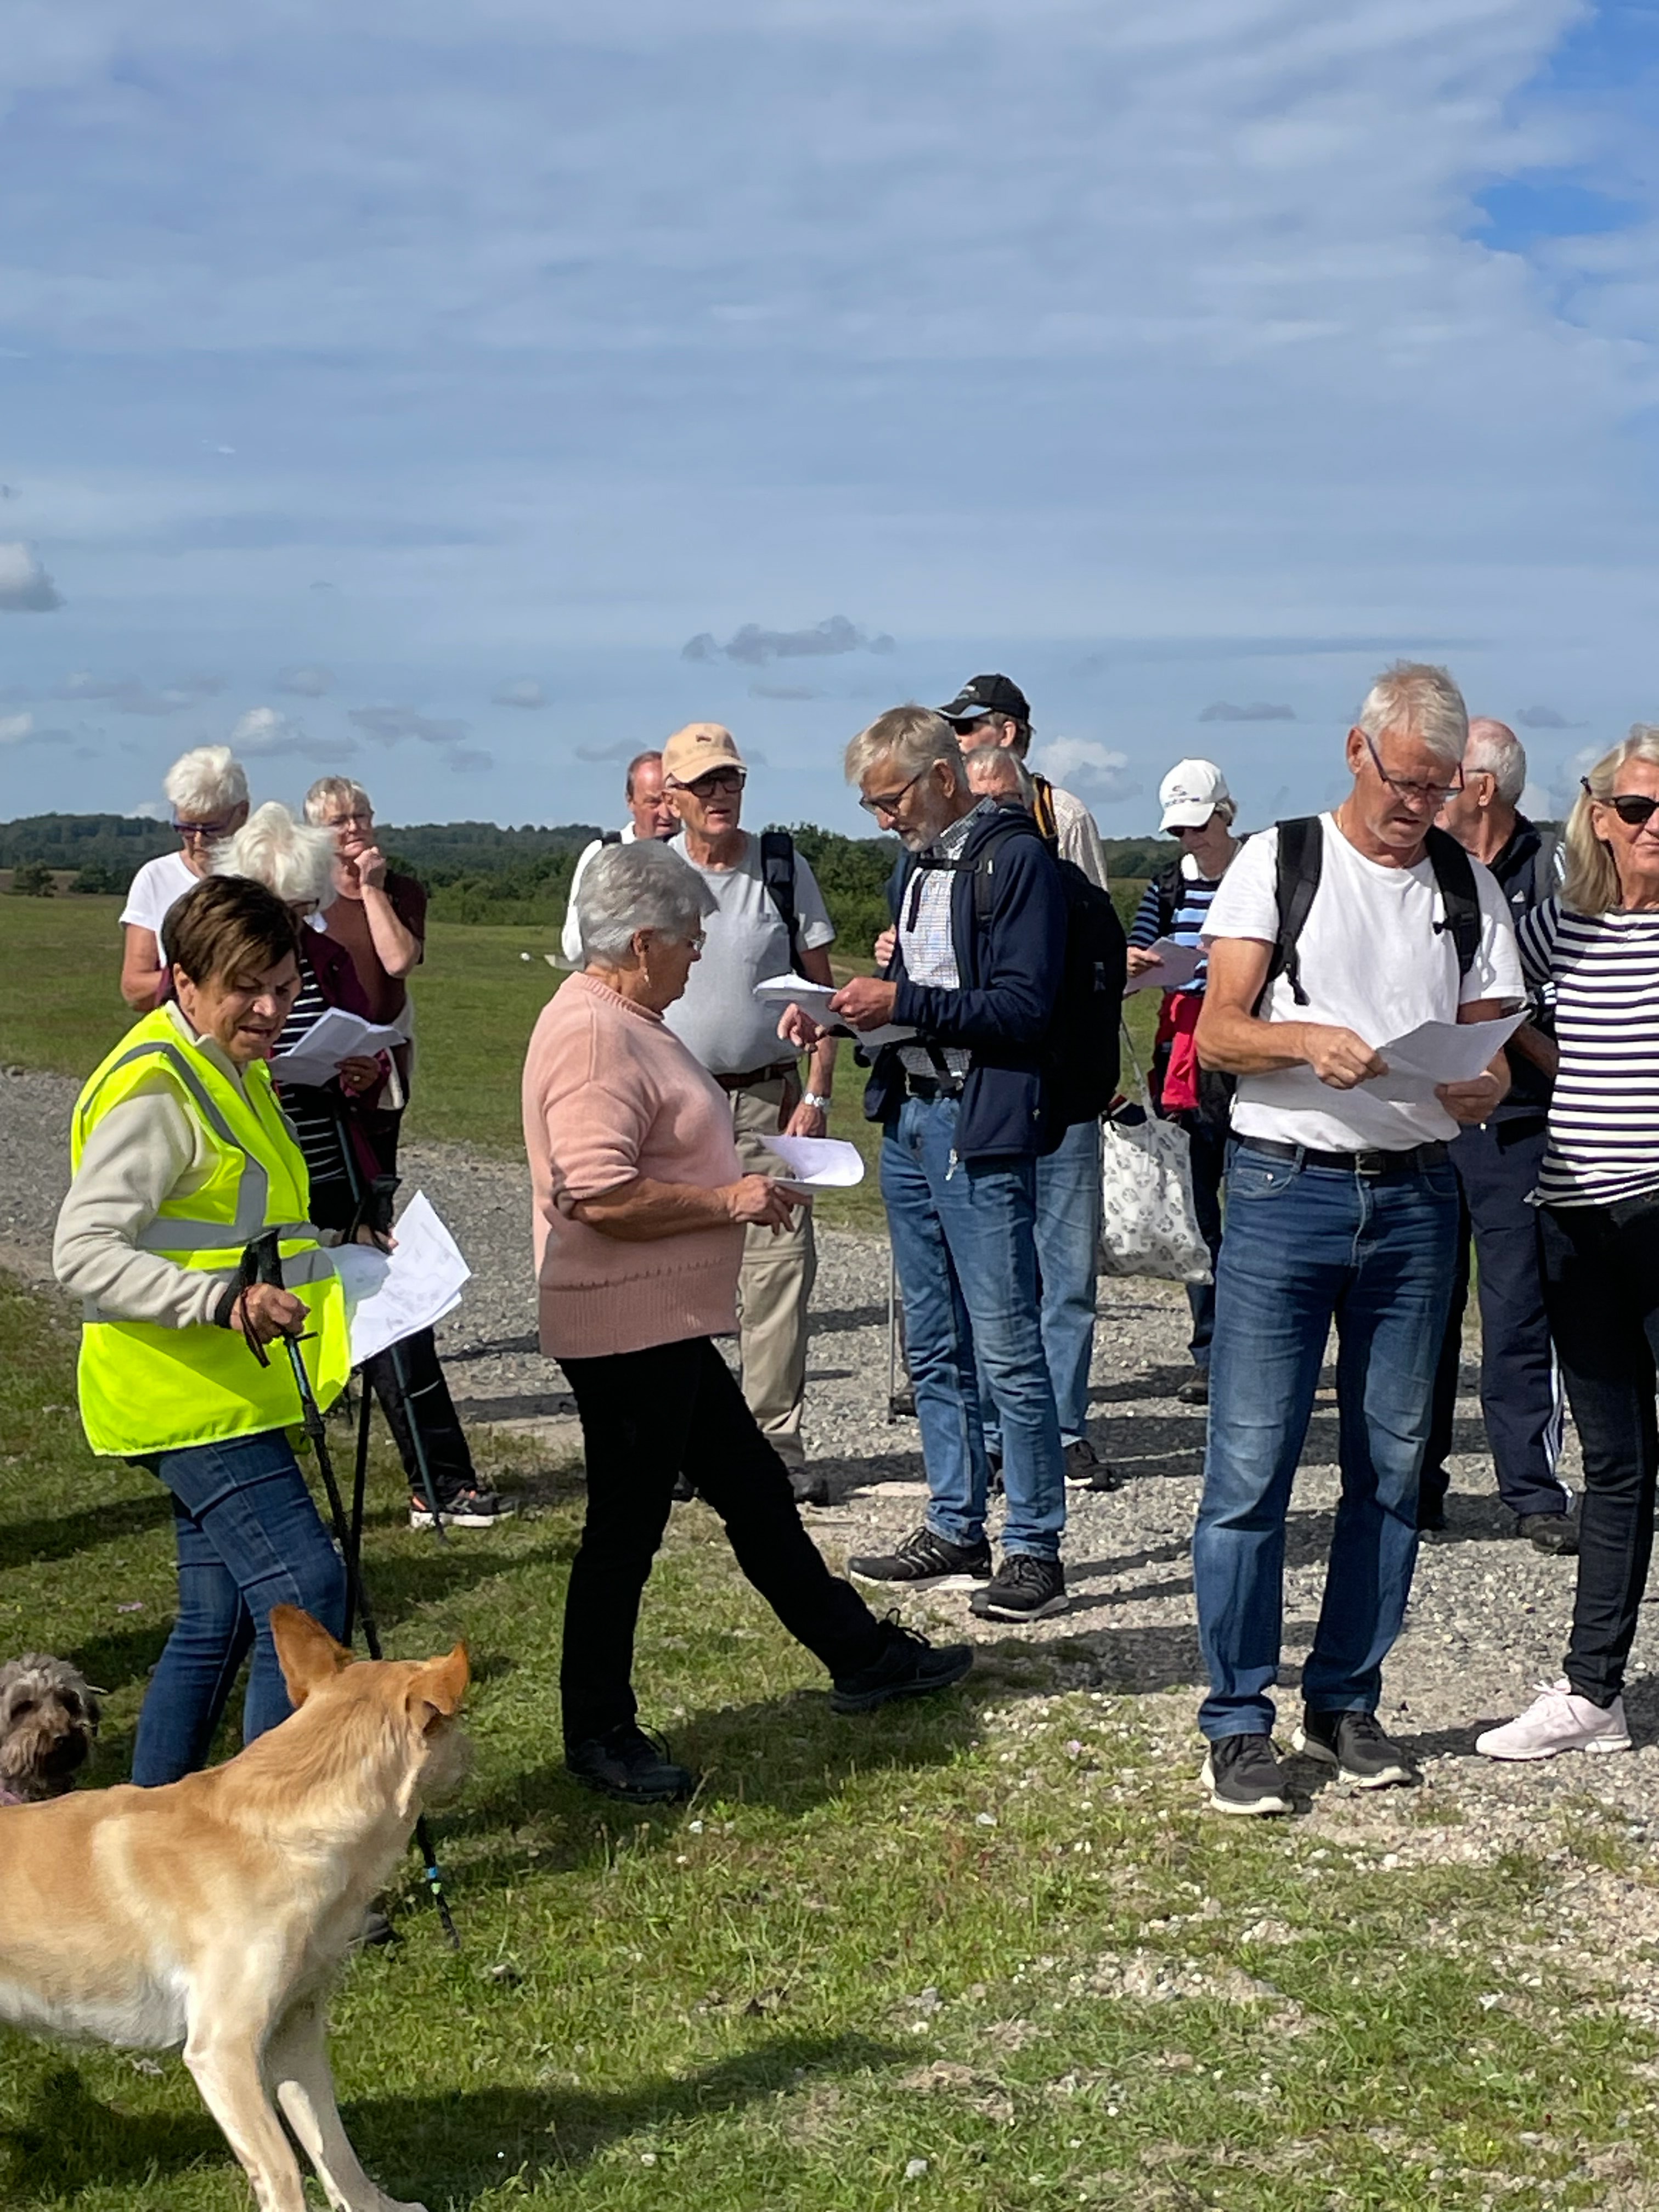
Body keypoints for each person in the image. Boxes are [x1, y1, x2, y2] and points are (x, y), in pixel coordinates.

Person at [522, 838, 972, 1804]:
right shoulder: (596, 1033)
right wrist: (728, 1200)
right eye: (689, 936)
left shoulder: (626, 1017)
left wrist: (745, 1173)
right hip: (624, 1327)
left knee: (756, 1491)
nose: (699, 951)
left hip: (660, 1320)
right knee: (624, 1534)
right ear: (641, 943)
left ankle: (861, 1655)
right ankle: (598, 1731)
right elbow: (594, 1192)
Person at [1191, 662, 1523, 1815]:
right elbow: (1217, 1033)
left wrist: (1484, 1085)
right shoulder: (1277, 861)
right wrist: (1304, 1040)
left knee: (1389, 1465)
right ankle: (1237, 1720)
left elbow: (1492, 1045)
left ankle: (1345, 1701)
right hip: (1285, 1188)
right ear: (1355, 751)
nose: (1415, 808)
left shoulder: (1465, 884)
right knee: (1250, 1465)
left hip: (1419, 1196)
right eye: (1402, 782)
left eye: (1437, 790)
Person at [53, 875, 352, 1784]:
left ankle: (152, 1831)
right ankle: (266, 1836)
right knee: (304, 1591)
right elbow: (81, 1252)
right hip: (183, 1390)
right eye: (244, 989)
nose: (270, 1009)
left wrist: (344, 1251)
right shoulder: (158, 1088)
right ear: (183, 981)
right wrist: (223, 1302)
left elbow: (246, 1222)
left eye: (284, 985)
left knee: (217, 1620)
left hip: (223, 1387)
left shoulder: (232, 1066)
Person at [809, 705, 1070, 1623]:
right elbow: (921, 994)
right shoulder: (913, 868)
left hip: (978, 1123)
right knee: (929, 1339)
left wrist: (902, 1002)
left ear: (941, 777)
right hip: (912, 1117)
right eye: (872, 804)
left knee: (1005, 1341)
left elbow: (1023, 1009)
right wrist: (844, 1014)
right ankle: (955, 1522)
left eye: (890, 799)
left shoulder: (1017, 861)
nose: (883, 818)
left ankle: (1034, 1545)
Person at [215, 804, 510, 1532]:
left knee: (395, 1312)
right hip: (253, 1170)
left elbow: (371, 1047)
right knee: (259, 1323)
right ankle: (261, 1498)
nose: (294, 926)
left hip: (334, 1154)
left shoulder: (326, 957)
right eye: (279, 910)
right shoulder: (213, 971)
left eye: (303, 909)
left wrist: (362, 1071)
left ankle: (441, 1483)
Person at [1475, 728, 1659, 1761]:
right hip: (1574, 1219)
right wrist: (1564, 1065)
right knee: (1613, 1463)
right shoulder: (1556, 926)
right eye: (1636, 808)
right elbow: (1493, 1003)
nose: (1652, 826)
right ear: (1600, 817)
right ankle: (1593, 1691)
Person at [659, 722, 840, 1498]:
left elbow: (823, 995)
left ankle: (774, 1449)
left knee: (778, 1274)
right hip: (675, 1108)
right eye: (703, 783)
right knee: (676, 1275)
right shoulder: (653, 874)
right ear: (673, 796)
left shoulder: (781, 867)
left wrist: (818, 1094)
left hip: (771, 1099)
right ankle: (685, 1444)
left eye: (729, 779)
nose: (720, 795)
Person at [1424, 719, 1575, 1553]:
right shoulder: (1422, 866)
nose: (1435, 792)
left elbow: (1567, 999)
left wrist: (1508, 1023)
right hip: (1426, 1117)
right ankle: (1413, 1485)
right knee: (1418, 1307)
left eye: (1449, 777)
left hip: (1519, 1125)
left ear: (1483, 788)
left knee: (1518, 1307)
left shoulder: (1556, 872)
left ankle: (1534, 1492)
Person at [957, 742, 1114, 1489]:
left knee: (1070, 1278)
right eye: (982, 805)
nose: (997, 818)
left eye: (1008, 804)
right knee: (999, 1278)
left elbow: (1103, 1002)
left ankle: (1065, 1426)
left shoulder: (1079, 896)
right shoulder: (956, 898)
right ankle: (998, 1432)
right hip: (994, 1107)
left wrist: (1098, 1087)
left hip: (1070, 1107)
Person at [1125, 760, 1245, 1404]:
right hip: (1182, 1058)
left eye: (1199, 826)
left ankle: (1254, 1343)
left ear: (1226, 814)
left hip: (1247, 1050)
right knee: (1198, 1213)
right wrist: (1136, 962)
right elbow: (1137, 949)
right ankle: (1210, 1349)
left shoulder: (1260, 875)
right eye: (1179, 831)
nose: (1190, 840)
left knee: (1253, 1209)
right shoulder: (1167, 886)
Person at [303, 774, 427, 1157]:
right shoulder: (305, 895)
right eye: (338, 821)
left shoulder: (402, 891)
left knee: (377, 1163)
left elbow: (398, 961)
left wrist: (371, 888)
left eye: (360, 816)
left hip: (382, 1056)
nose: (354, 827)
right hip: (314, 1054)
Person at [119, 746, 250, 1011]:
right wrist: (213, 982)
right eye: (187, 828)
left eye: (212, 828)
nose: (198, 840)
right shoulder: (155, 877)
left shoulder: (266, 873)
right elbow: (134, 989)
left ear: (242, 813)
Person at [558, 751, 678, 964]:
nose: (666, 813)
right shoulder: (602, 853)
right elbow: (574, 948)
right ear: (630, 801)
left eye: (672, 801)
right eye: (654, 803)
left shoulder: (698, 856)